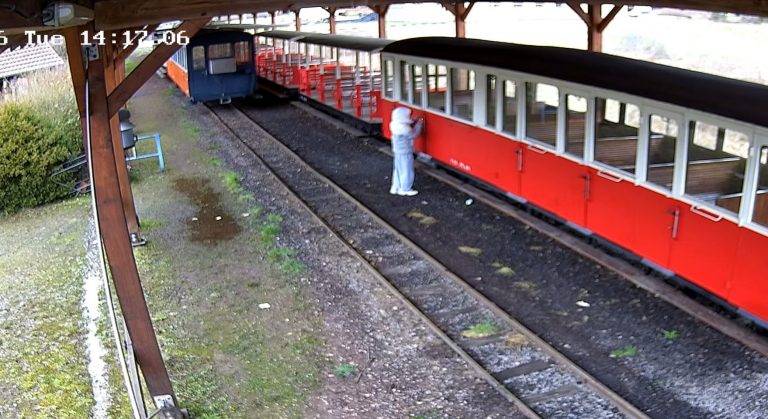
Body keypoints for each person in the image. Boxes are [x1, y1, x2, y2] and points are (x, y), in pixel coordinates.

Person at [389, 107, 424, 196]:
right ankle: (405, 189)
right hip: (405, 151)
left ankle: (395, 187)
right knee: (407, 170)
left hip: (397, 151)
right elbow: (414, 134)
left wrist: (414, 121)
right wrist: (419, 124)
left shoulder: (394, 124)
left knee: (398, 169)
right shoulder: (404, 129)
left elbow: (407, 123)